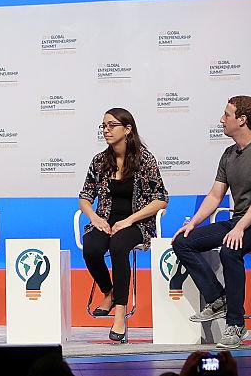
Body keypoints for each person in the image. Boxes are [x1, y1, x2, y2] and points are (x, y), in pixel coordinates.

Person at [172, 95, 251, 349]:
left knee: (230, 249)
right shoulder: (228, 154)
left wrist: (240, 227)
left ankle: (236, 325)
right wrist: (194, 223)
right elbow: (215, 195)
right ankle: (217, 298)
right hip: (238, 220)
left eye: (227, 114)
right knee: (182, 241)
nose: (222, 120)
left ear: (242, 120)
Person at [78, 107, 168, 342]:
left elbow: (161, 199)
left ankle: (119, 313)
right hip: (105, 220)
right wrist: (95, 219)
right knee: (91, 248)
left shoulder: (145, 160)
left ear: (128, 130)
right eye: (103, 126)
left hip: (136, 224)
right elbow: (85, 197)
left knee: (119, 246)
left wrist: (127, 220)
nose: (106, 130)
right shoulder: (99, 161)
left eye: (111, 125)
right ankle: (108, 291)